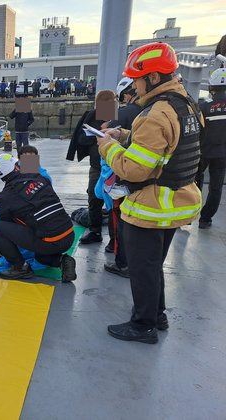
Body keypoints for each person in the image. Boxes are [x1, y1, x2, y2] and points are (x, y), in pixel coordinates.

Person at [97, 42, 203, 344]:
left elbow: (133, 169)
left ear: (153, 77)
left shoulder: (155, 114)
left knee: (142, 268)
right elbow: (167, 146)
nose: (134, 84)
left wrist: (107, 144)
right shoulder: (186, 105)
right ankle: (158, 314)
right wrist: (126, 135)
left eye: (137, 78)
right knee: (154, 265)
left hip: (152, 206)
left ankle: (143, 326)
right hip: (179, 201)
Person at [0, 153, 77, 282]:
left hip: (49, 241)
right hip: (69, 234)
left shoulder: (5, 197)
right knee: (41, 256)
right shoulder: (39, 177)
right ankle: (62, 261)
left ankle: (20, 267)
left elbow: (6, 224)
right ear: (16, 167)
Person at [100, 77, 142, 277]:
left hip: (121, 175)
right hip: (144, 183)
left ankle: (121, 261)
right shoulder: (150, 112)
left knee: (117, 217)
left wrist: (106, 144)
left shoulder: (123, 113)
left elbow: (104, 137)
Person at [67, 105, 106, 245]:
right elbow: (81, 138)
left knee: (115, 202)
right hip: (96, 166)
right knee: (94, 198)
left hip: (115, 166)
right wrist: (97, 136)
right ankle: (95, 231)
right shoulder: (92, 116)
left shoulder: (121, 114)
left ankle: (116, 238)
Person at [196, 67, 226, 229]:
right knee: (216, 187)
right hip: (222, 154)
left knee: (195, 183)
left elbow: (196, 130)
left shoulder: (204, 106)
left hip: (203, 152)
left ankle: (188, 216)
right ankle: (205, 219)